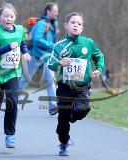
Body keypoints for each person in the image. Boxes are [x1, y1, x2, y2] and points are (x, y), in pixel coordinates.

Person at [48, 12, 105, 156]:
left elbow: (99, 57)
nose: (76, 25)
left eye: (79, 24)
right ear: (66, 25)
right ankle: (63, 143)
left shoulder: (88, 43)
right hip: (65, 87)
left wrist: (98, 69)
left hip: (82, 86)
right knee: (62, 122)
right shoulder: (59, 45)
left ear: (82, 28)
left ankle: (69, 115)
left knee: (82, 109)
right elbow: (50, 64)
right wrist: (60, 62)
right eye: (73, 22)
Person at [0, 3, 30, 149]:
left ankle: (10, 135)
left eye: (11, 16)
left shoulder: (20, 30)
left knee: (12, 101)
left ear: (15, 18)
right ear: (0, 18)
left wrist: (25, 52)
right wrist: (7, 48)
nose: (8, 18)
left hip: (13, 73)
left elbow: (22, 43)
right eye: (5, 16)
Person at [19, 2, 59, 115]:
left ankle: (53, 107)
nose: (57, 13)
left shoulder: (53, 23)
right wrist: (52, 46)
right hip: (36, 55)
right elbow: (37, 39)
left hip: (46, 57)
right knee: (25, 80)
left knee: (51, 80)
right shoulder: (42, 23)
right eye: (55, 11)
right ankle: (12, 100)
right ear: (48, 11)